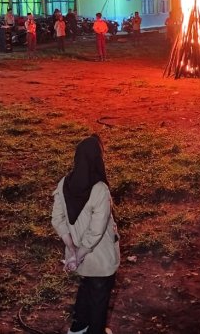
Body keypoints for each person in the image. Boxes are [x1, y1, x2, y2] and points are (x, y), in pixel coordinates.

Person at [52, 135, 120, 334]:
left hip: (77, 256)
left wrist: (72, 250)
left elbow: (57, 219)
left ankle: (78, 328)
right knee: (99, 296)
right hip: (100, 257)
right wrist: (80, 253)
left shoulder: (64, 183)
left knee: (86, 287)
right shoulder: (100, 189)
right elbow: (96, 230)